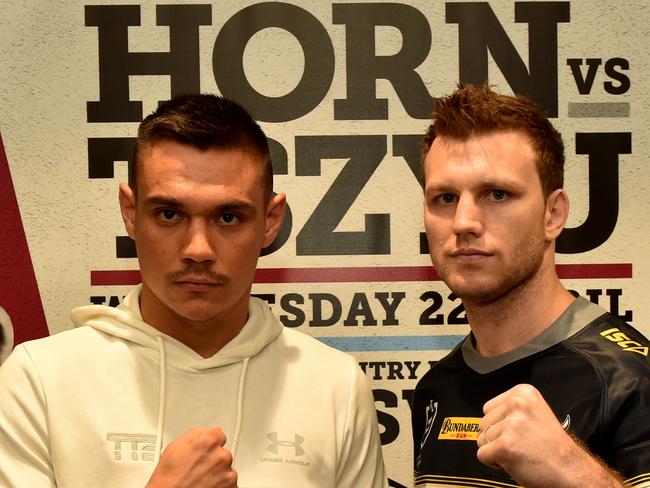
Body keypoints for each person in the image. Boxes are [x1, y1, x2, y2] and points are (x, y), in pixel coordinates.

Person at [0, 94, 387, 488]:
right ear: (130, 212)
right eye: (169, 214)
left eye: (228, 216)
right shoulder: (38, 381)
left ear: (271, 221)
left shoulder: (334, 385)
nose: (198, 250)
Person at [411, 84, 650, 488]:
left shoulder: (630, 379)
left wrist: (576, 473)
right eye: (445, 198)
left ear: (553, 215)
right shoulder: (436, 387)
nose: (464, 222)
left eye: (497, 193)